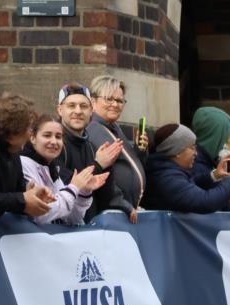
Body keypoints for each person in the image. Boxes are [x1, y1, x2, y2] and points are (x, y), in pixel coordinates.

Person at [53, 82, 136, 222]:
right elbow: (68, 187)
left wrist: (126, 206)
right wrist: (98, 165)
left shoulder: (91, 146)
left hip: (89, 231)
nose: (78, 111)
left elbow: (105, 195)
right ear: (60, 110)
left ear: (91, 111)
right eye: (71, 105)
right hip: (60, 232)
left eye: (83, 106)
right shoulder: (54, 145)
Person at [142, 122, 230, 213]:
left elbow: (192, 183)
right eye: (191, 147)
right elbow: (205, 202)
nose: (196, 153)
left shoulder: (168, 171)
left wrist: (214, 175)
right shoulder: (166, 178)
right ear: (177, 152)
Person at [21, 114, 109, 225]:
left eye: (58, 137)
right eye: (47, 135)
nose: (54, 142)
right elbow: (40, 214)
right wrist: (73, 188)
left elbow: (73, 219)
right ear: (32, 137)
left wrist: (83, 192)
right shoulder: (23, 164)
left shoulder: (53, 169)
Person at [87, 75, 147, 212]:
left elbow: (130, 165)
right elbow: (104, 175)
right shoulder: (92, 128)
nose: (115, 104)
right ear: (93, 101)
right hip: (112, 211)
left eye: (120, 100)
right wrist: (122, 204)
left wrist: (140, 150)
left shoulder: (113, 127)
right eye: (109, 99)